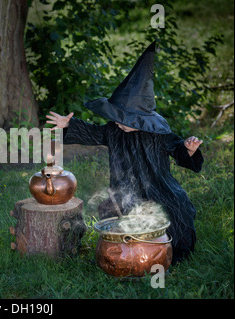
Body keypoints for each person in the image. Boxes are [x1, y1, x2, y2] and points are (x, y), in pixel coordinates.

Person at [46, 41, 204, 265]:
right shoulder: (113, 131)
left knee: (179, 210)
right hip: (124, 189)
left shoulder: (158, 134)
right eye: (116, 117)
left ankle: (173, 252)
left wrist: (188, 150)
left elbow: (177, 149)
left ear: (140, 118)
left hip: (158, 186)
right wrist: (67, 126)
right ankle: (122, 252)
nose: (119, 123)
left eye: (124, 119)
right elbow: (92, 133)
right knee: (115, 212)